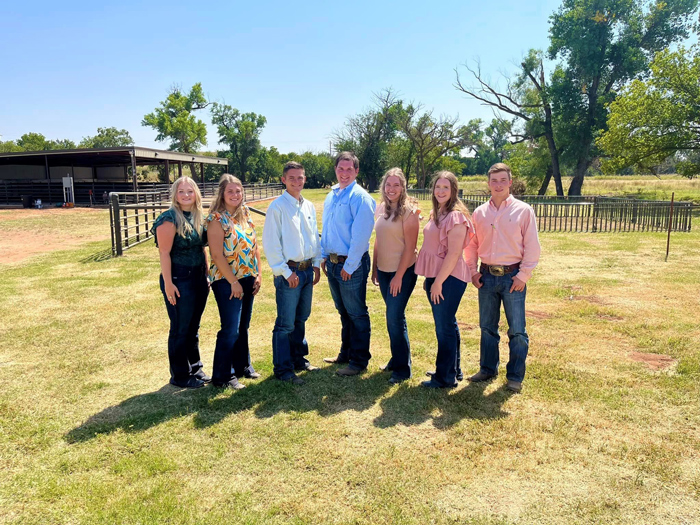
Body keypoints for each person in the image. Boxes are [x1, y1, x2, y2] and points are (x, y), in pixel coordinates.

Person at [465, 162, 540, 393]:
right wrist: (473, 271)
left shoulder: (523, 210)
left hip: (512, 277)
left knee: (517, 329)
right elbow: (471, 245)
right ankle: (487, 368)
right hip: (486, 276)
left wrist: (523, 275)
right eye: (494, 181)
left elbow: (532, 246)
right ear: (488, 184)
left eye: (502, 180)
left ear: (510, 182)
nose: (498, 185)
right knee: (487, 327)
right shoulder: (479, 212)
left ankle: (515, 376)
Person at [262, 161, 322, 385]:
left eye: (300, 177)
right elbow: (271, 243)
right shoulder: (277, 207)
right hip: (290, 271)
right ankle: (283, 368)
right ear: (283, 180)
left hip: (306, 270)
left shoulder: (307, 205)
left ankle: (299, 359)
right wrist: (285, 272)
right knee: (285, 323)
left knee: (301, 318)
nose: (297, 181)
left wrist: (316, 263)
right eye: (292, 178)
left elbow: (313, 236)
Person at [415, 171, 473, 388]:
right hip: (437, 277)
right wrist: (431, 278)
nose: (440, 191)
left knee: (444, 327)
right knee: (449, 324)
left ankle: (445, 377)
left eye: (445, 188)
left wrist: (438, 282)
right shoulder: (438, 212)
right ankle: (452, 369)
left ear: (453, 191)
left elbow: (454, 253)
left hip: (449, 278)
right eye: (437, 187)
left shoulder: (455, 216)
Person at [321, 151, 376, 376]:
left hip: (349, 265)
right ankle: (346, 353)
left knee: (357, 313)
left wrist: (349, 266)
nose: (344, 173)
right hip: (333, 264)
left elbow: (361, 236)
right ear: (335, 169)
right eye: (340, 169)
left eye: (349, 169)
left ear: (356, 171)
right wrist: (324, 256)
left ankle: (359, 360)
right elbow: (328, 228)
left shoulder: (360, 197)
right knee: (343, 311)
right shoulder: (332, 195)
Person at [152, 176, 210, 389]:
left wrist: (206, 274)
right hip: (179, 278)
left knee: (193, 326)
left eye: (190, 191)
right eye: (181, 191)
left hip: (198, 277)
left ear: (196, 194)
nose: (186, 195)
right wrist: (168, 283)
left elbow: (201, 248)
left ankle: (195, 367)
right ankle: (180, 375)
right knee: (180, 327)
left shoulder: (197, 217)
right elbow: (164, 253)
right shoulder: (168, 219)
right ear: (175, 195)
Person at [206, 174, 263, 390]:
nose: (235, 195)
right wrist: (233, 282)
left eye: (238, 191)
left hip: (248, 276)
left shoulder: (245, 214)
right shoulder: (215, 220)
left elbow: (254, 246)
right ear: (221, 193)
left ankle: (242, 366)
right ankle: (223, 375)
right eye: (230, 191)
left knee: (243, 325)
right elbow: (217, 255)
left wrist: (258, 274)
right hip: (226, 280)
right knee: (230, 328)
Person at [371, 168, 420, 384]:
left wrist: (399, 276)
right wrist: (374, 268)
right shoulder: (380, 208)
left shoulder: (409, 213)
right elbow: (379, 240)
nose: (391, 189)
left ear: (403, 188)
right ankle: (397, 359)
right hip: (383, 271)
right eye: (388, 185)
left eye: (396, 185)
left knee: (393, 317)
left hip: (404, 272)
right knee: (395, 317)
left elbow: (410, 248)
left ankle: (402, 369)